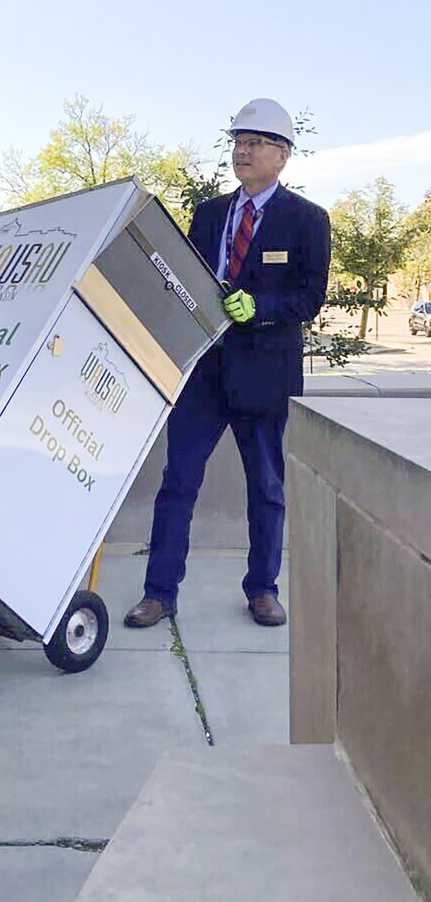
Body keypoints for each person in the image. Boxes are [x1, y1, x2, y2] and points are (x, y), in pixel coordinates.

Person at [124, 98, 330, 629]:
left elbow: (309, 298)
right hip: (205, 375)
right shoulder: (212, 215)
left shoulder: (307, 220)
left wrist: (259, 308)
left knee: (265, 488)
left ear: (282, 156)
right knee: (178, 483)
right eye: (239, 141)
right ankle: (159, 592)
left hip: (264, 376)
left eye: (255, 142)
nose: (242, 150)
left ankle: (262, 588)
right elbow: (186, 281)